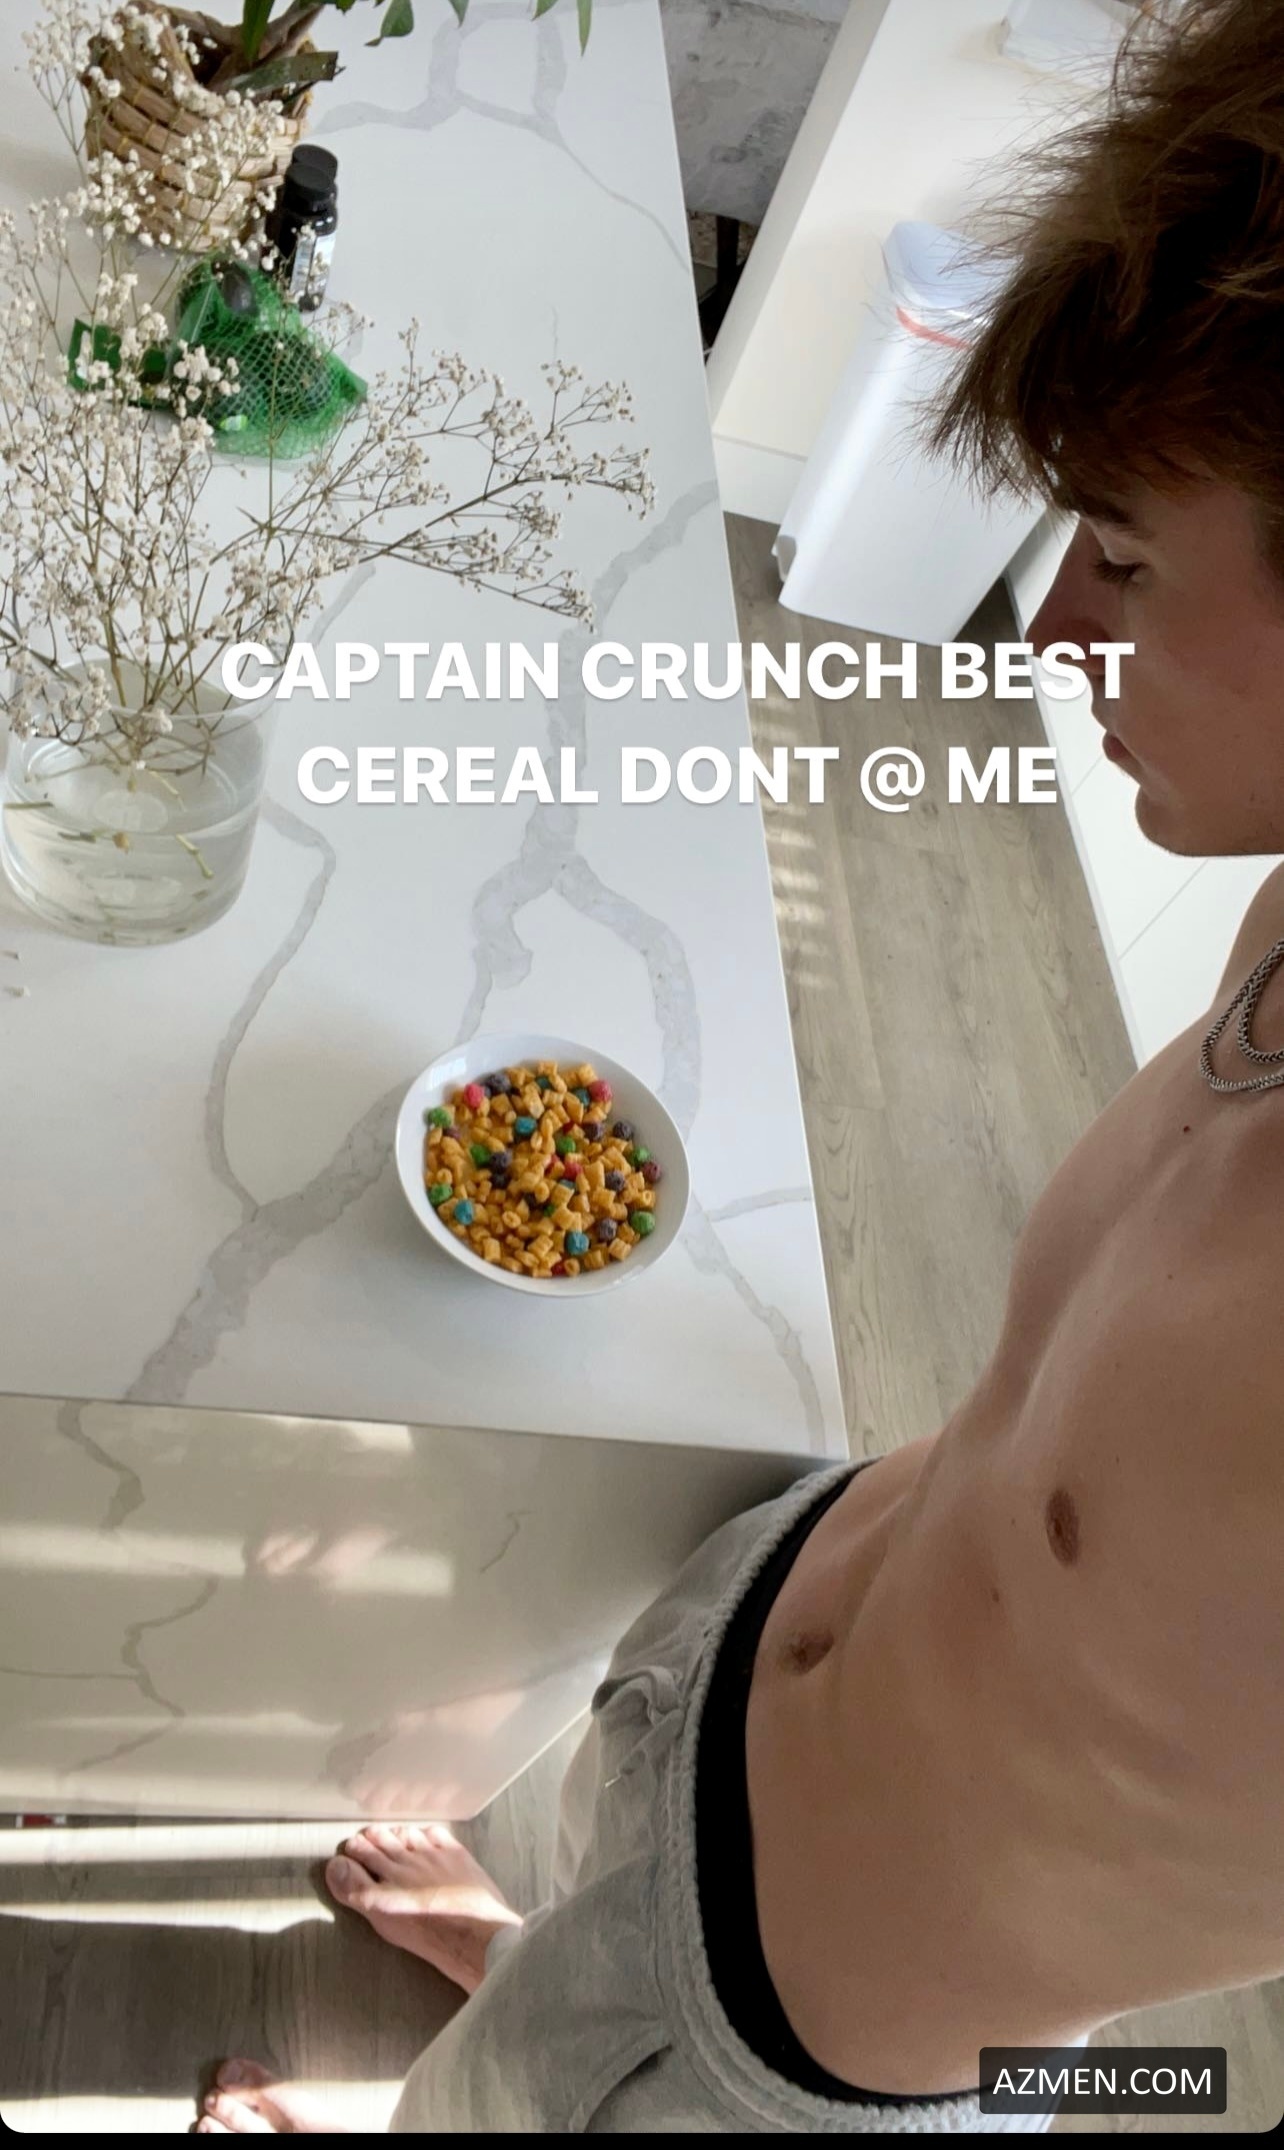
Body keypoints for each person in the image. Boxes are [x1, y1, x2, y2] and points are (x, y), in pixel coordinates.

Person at [196, 0, 1284, 2132]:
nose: (1056, 632)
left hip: (753, 2047)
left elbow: (1183, 2065)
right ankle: (527, 1941)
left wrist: (1038, 2107)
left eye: (1129, 560)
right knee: (573, 1869)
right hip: (756, 1641)